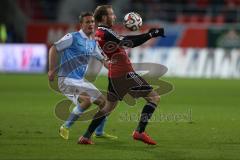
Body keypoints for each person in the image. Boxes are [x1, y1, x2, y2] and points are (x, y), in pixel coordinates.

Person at [78, 5, 165, 145]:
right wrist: (150, 34)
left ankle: (86, 136)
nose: (115, 17)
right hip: (125, 73)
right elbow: (129, 42)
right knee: (154, 98)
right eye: (112, 14)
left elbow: (123, 41)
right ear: (104, 17)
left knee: (108, 107)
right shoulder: (105, 32)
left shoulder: (99, 33)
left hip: (114, 74)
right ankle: (140, 132)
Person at [48, 12, 117, 140]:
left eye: (92, 22)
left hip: (80, 80)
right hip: (67, 80)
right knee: (87, 100)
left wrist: (116, 67)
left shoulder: (92, 43)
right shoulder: (72, 37)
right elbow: (54, 48)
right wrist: (51, 70)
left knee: (104, 103)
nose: (91, 24)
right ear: (81, 24)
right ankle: (65, 127)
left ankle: (99, 132)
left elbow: (103, 60)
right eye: (87, 22)